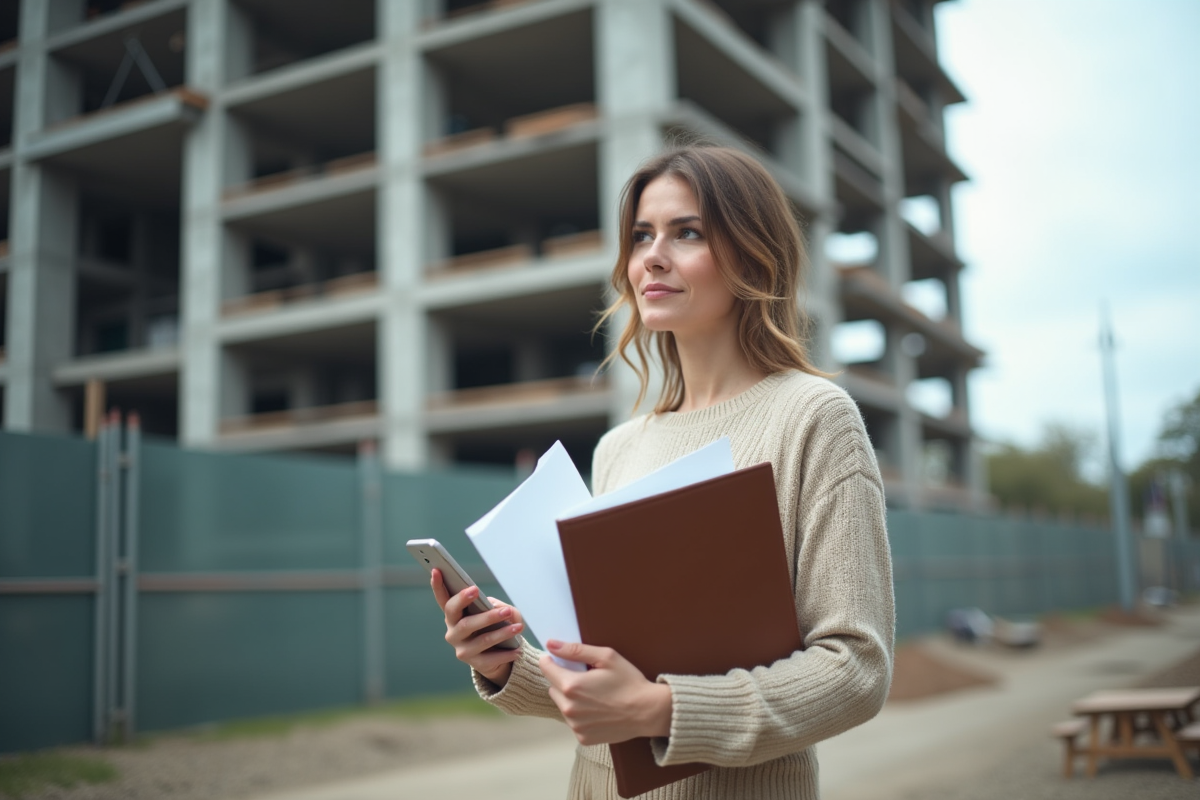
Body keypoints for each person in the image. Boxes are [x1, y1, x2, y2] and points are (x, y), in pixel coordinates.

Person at [430, 145, 894, 799]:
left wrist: (661, 709)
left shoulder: (813, 418)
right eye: (642, 235)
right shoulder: (620, 447)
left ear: (752, 253)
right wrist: (511, 665)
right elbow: (608, 692)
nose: (651, 255)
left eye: (688, 232)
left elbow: (855, 670)